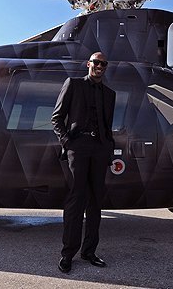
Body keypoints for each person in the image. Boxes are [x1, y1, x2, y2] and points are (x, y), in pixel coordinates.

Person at [51, 52, 116, 273]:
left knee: (96, 201)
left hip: (99, 149)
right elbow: (57, 117)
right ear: (88, 64)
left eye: (103, 64)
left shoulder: (110, 94)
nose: (100, 66)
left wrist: (108, 148)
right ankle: (68, 254)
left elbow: (108, 125)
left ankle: (89, 251)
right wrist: (68, 142)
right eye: (96, 62)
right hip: (77, 148)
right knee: (76, 199)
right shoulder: (74, 84)